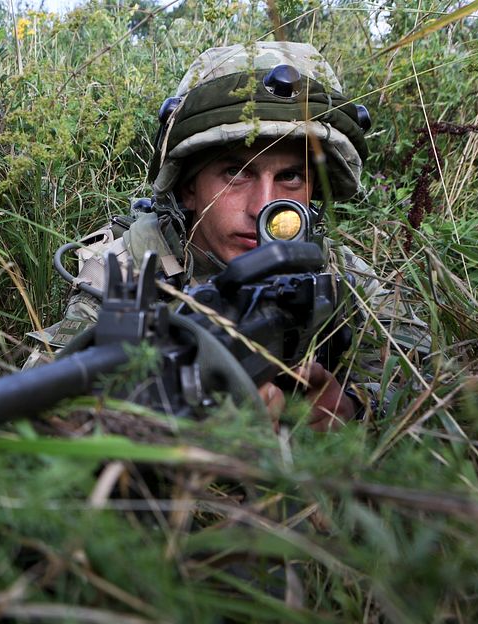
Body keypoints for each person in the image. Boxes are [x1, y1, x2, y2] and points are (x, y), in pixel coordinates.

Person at [24, 42, 428, 431]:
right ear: (188, 188)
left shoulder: (338, 269)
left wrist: (357, 405)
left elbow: (436, 376)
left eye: (290, 176)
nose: (263, 208)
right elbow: (43, 405)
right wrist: (158, 418)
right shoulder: (128, 271)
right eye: (236, 173)